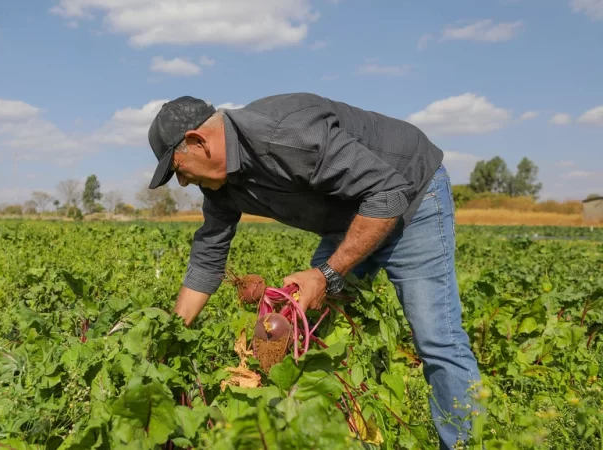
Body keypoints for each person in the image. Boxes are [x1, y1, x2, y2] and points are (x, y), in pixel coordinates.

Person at [146, 92, 482, 449]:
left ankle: (463, 444)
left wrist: (327, 275)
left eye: (178, 170)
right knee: (306, 334)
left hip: (411, 198)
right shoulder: (221, 187)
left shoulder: (285, 135)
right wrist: (171, 336)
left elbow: (388, 194)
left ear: (199, 141)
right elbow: (208, 257)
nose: (182, 184)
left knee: (436, 338)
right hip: (351, 219)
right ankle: (333, 434)